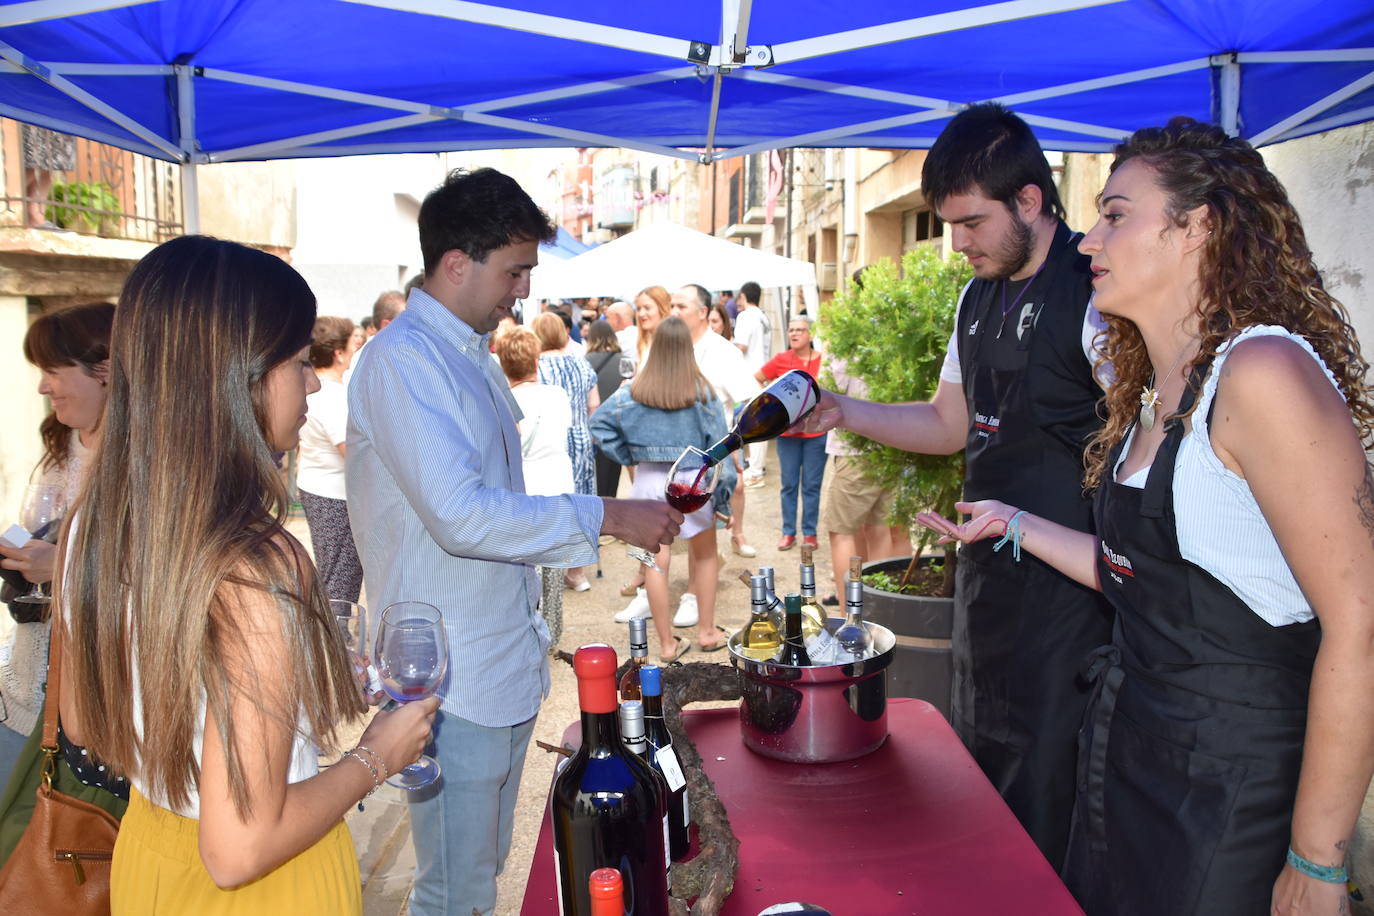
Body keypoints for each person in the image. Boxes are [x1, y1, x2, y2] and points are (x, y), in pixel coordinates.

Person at [916, 117, 1374, 916]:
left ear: (1200, 228)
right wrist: (1014, 522)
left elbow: (1361, 622)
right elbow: (1141, 576)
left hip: (1230, 785)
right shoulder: (1150, 398)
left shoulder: (1262, 371)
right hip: (1129, 762)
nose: (1089, 240)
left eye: (1117, 215)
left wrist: (1318, 860)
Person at [55, 236, 438, 911]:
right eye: (297, 361)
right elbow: (239, 851)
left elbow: (86, 724)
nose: (315, 380)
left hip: (149, 854)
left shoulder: (94, 523)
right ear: (238, 378)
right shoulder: (254, 566)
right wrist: (377, 756)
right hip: (270, 885)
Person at [346, 168, 681, 916]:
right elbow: (462, 516)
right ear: (457, 262)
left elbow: (496, 501)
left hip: (492, 652)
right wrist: (605, 513)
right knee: (453, 887)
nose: (523, 290)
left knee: (479, 871)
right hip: (451, 672)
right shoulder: (404, 361)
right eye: (515, 270)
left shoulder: (464, 351)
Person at [793, 102, 1111, 868]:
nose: (957, 243)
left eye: (970, 223)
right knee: (982, 766)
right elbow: (948, 423)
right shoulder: (977, 297)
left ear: (1030, 201)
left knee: (1049, 784)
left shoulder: (1097, 293)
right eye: (948, 224)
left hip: (1075, 593)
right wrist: (842, 410)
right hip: (986, 580)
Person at [0, 303, 112, 780]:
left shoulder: (148, 466)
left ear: (105, 371)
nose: (43, 387)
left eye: (52, 370)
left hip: (89, 706)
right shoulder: (59, 443)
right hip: (27, 682)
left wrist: (62, 564)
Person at [590, 317, 730, 659]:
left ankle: (667, 644)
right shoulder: (704, 393)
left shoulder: (633, 390)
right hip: (691, 480)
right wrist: (723, 496)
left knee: (654, 562)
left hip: (649, 479)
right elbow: (721, 447)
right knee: (706, 556)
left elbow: (598, 424)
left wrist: (630, 456)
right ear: (687, 348)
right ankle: (707, 631)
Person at [495, 326, 574, 646]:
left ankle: (529, 629)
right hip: (557, 481)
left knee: (526, 568)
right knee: (553, 566)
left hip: (524, 487)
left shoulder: (504, 400)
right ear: (536, 360)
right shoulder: (557, 394)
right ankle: (552, 630)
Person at [819, 351, 911, 605]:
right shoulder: (891, 322)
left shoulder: (846, 337)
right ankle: (880, 609)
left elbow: (824, 391)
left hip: (856, 448)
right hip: (891, 443)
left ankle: (850, 617)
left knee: (841, 532)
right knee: (879, 529)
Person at [296, 315, 364, 602]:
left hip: (316, 485)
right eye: (352, 345)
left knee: (331, 573)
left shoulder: (318, 392)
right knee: (340, 584)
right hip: (335, 496)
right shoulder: (333, 397)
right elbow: (352, 453)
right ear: (339, 353)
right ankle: (338, 641)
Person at [757, 316, 826, 551]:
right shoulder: (781, 360)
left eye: (800, 330)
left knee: (811, 485)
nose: (794, 334)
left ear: (811, 334)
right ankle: (788, 532)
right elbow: (758, 379)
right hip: (787, 436)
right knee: (788, 484)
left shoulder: (823, 362)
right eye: (791, 330)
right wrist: (771, 407)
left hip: (816, 435)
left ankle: (810, 533)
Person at [707, 304, 757, 558]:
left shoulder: (726, 353)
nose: (712, 325)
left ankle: (737, 535)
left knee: (737, 485)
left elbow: (744, 401)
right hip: (700, 436)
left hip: (728, 433)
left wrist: (738, 440)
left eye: (715, 321)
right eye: (709, 321)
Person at [732, 282, 771, 487]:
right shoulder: (763, 316)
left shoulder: (746, 316)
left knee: (754, 423)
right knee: (757, 422)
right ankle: (755, 466)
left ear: (743, 296)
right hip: (762, 373)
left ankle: (755, 471)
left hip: (749, 376)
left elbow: (741, 346)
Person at [582, 320, 626, 499]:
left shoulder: (584, 362)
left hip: (592, 427)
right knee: (612, 480)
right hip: (617, 427)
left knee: (596, 481)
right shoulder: (624, 362)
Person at [20, 125, 75, 229]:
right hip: (36, 115)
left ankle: (36, 214)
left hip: (59, 117)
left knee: (51, 166)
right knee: (32, 165)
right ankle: (11, 204)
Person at [633, 285, 671, 366]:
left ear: (662, 309)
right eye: (638, 309)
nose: (641, 314)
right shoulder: (642, 341)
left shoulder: (674, 342)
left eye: (647, 308)